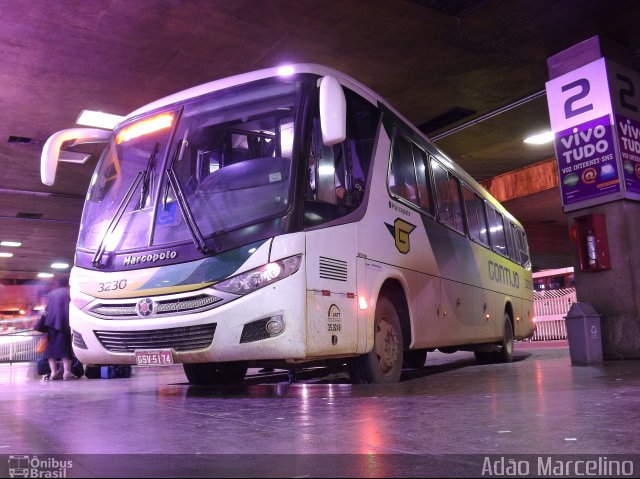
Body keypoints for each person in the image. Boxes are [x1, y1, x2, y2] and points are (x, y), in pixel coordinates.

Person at [43, 277, 77, 380]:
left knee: (51, 351)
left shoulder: (51, 294)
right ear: (67, 284)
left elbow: (46, 309)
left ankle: (53, 372)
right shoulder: (69, 293)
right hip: (64, 325)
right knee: (65, 350)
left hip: (50, 325)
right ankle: (67, 372)